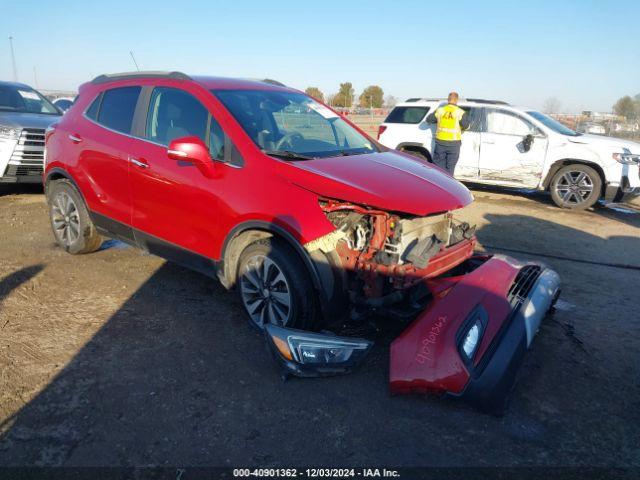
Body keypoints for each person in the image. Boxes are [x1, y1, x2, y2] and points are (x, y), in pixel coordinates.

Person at [427, 92, 470, 175]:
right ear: (456, 100)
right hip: (454, 144)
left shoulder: (440, 110)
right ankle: (447, 184)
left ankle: (438, 184)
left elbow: (429, 119)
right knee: (450, 169)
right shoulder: (460, 112)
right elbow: (466, 126)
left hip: (440, 143)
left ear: (448, 100)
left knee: (438, 169)